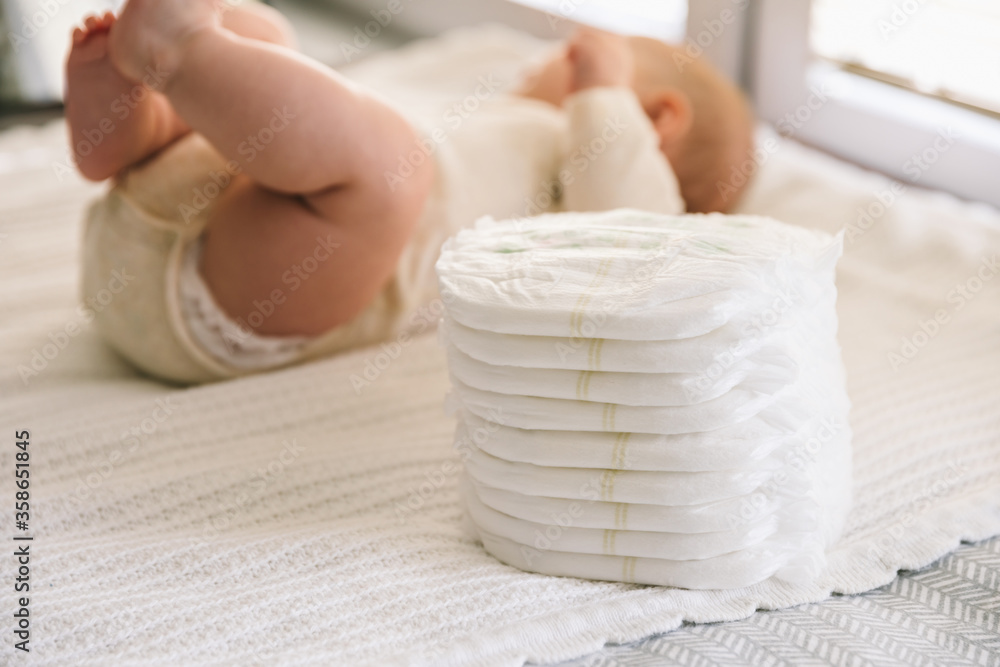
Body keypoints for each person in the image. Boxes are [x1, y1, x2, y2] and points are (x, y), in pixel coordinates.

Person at [66, 0, 754, 384]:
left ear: (658, 120)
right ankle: (138, 120)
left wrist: (600, 87)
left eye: (568, 59)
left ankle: (177, 51)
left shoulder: (600, 187)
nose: (543, 63)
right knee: (266, 41)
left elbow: (628, 226)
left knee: (395, 166)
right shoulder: (513, 122)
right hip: (163, 217)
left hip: (242, 288)